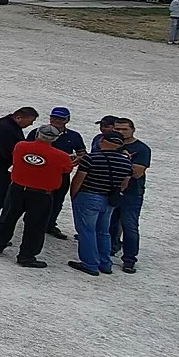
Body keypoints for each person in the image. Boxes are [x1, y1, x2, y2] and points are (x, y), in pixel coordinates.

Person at [0, 131, 69, 268]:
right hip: (42, 194)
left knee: (7, 217)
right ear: (55, 138)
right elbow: (66, 169)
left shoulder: (21, 146)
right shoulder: (61, 156)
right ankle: (26, 256)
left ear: (37, 134)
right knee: (35, 226)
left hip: (17, 189)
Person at [67, 131, 133, 277]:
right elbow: (124, 184)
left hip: (88, 196)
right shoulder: (126, 162)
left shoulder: (91, 158)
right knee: (104, 232)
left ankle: (90, 263)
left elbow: (79, 179)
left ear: (103, 140)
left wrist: (74, 196)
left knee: (86, 230)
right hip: (109, 199)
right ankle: (105, 263)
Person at [105, 116, 151, 274]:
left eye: (125, 129)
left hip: (132, 193)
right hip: (110, 189)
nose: (121, 132)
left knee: (129, 226)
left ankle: (129, 259)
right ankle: (109, 250)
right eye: (117, 129)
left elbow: (137, 173)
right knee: (109, 223)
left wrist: (118, 162)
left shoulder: (142, 149)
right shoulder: (110, 143)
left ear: (133, 130)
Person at [0, 107, 38, 236]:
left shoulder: (8, 125)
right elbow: (8, 152)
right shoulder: (6, 129)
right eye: (30, 121)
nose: (31, 124)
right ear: (19, 117)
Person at [41, 107, 84, 241]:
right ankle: (34, 222)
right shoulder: (38, 132)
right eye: (54, 117)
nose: (56, 120)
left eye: (60, 118)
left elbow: (82, 153)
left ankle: (50, 224)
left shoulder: (74, 136)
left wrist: (79, 158)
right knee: (37, 199)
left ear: (67, 120)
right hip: (40, 173)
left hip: (62, 174)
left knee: (57, 201)